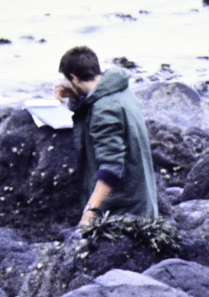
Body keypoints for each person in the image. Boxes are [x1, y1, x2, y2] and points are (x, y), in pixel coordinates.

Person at [53, 46, 159, 228]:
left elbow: (112, 168)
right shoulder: (121, 90)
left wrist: (90, 212)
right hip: (143, 202)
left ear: (74, 78)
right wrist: (77, 96)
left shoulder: (104, 110)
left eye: (68, 81)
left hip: (125, 213)